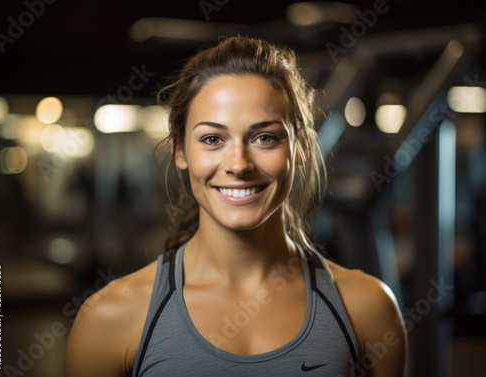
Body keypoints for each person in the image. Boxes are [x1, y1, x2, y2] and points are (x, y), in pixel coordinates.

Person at [65, 36, 407, 377]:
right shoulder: (110, 317)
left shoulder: (368, 308)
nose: (239, 164)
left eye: (265, 137)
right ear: (180, 151)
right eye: (213, 139)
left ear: (300, 147)